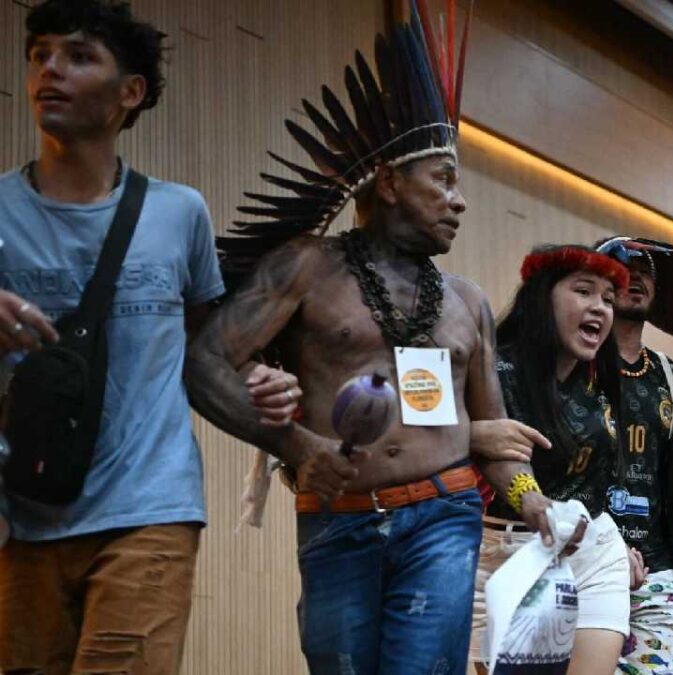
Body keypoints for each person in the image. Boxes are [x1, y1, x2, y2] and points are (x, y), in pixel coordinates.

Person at [185, 7, 552, 673]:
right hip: (338, 517)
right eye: (443, 178)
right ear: (388, 181)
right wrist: (293, 443)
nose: (460, 200)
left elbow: (493, 429)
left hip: (444, 516)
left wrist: (530, 497)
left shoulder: (467, 300)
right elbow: (205, 363)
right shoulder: (307, 267)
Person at [0, 1, 295, 672]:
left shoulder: (178, 212)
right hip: (23, 511)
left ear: (130, 93)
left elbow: (206, 346)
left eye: (78, 56)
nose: (51, 69)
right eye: (40, 53)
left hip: (148, 504)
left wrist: (262, 384)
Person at [469, 244, 633, 675]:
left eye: (608, 300)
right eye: (583, 291)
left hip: (591, 552)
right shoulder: (492, 373)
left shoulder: (600, 383)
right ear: (542, 298)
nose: (599, 307)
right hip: (498, 553)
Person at [595, 236, 673, 674]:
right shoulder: (573, 360)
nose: (636, 276)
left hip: (655, 568)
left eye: (647, 270)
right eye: (621, 265)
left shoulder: (670, 374)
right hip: (582, 557)